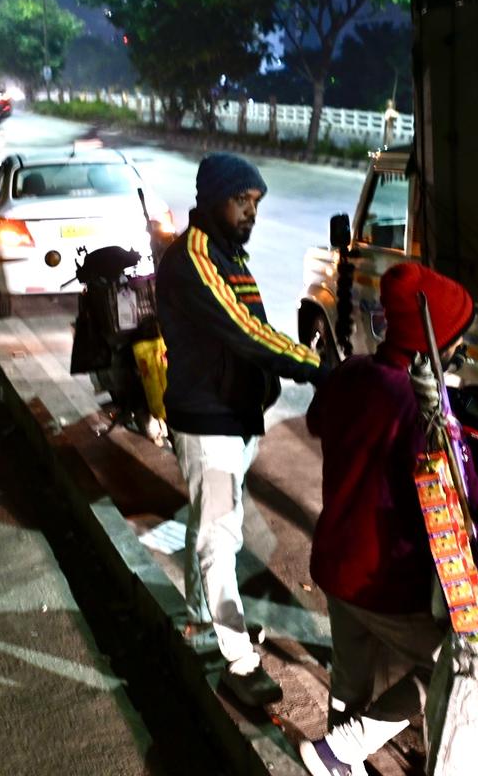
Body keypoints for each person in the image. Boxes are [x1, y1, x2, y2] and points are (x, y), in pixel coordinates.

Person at [155, 152, 327, 706]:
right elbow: (246, 332)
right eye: (240, 201)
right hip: (212, 425)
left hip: (234, 417)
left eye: (255, 203)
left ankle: (199, 621)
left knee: (208, 525)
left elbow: (254, 328)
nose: (250, 212)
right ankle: (236, 656)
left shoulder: (229, 253)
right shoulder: (197, 257)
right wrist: (319, 367)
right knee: (219, 537)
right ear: (212, 200)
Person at [299, 262, 477, 776]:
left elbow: (317, 418)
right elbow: (463, 490)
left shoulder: (356, 374)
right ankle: (341, 749)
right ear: (437, 345)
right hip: (382, 580)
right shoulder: (415, 406)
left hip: (335, 564)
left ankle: (338, 752)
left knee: (350, 676)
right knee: (449, 661)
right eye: (456, 341)